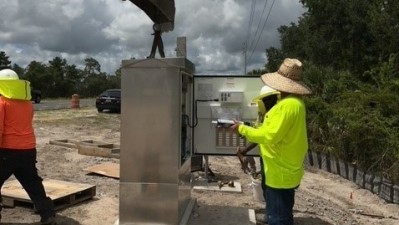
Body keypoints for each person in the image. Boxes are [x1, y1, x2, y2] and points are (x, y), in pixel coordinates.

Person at [232, 58, 312, 225]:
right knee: (283, 214)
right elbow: (269, 130)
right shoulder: (297, 103)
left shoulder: (286, 106)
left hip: (280, 174)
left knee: (279, 219)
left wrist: (241, 129)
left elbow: (268, 135)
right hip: (287, 171)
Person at [0, 69, 56, 225]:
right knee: (33, 183)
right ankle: (48, 215)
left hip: (6, 151)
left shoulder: (2, 101)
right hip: (28, 149)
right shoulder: (26, 103)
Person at [237, 85, 280, 191]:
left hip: (274, 159)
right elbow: (257, 129)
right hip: (267, 157)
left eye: (264, 100)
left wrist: (245, 149)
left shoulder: (274, 115)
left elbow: (262, 135)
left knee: (271, 190)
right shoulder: (264, 114)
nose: (262, 103)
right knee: (267, 187)